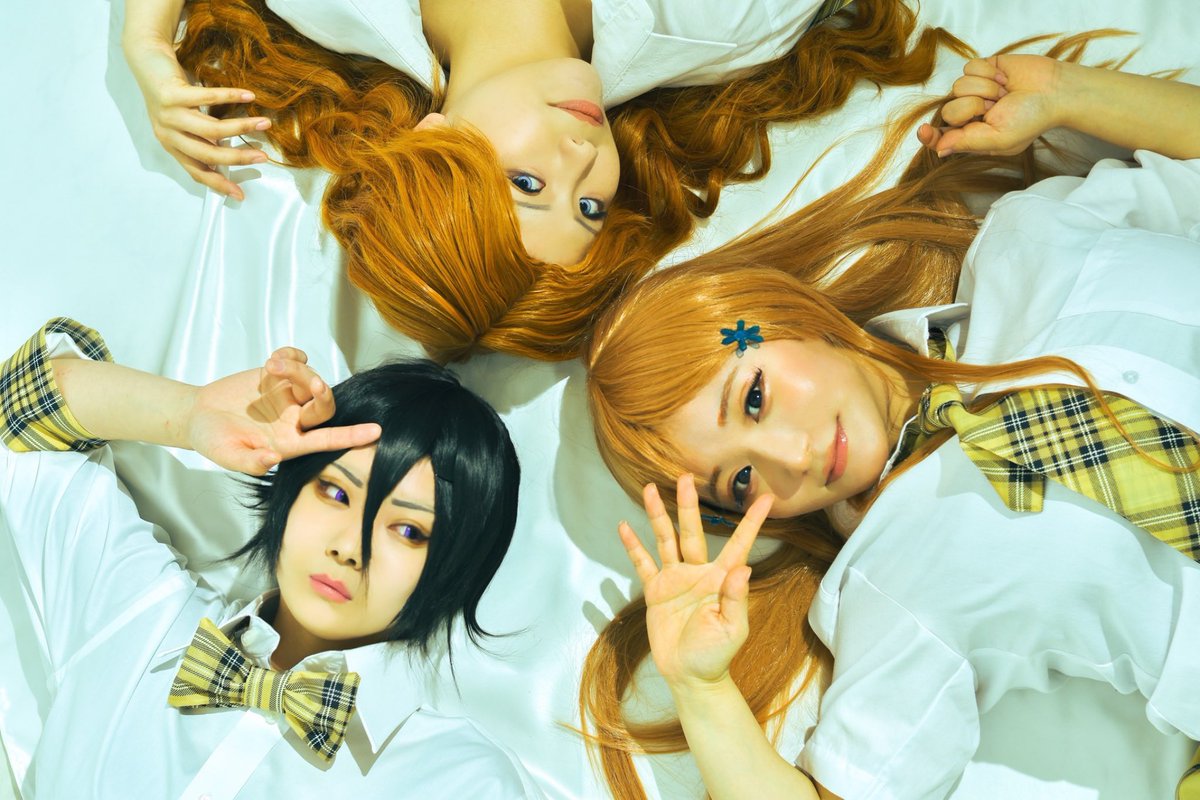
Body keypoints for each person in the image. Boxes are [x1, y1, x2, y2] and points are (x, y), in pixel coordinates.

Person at [579, 56, 1200, 799]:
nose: (791, 457)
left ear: (782, 318)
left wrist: (1069, 93)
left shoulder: (1031, 240)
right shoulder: (896, 583)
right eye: (741, 481)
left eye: (755, 398)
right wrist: (701, 690)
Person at [122, 0, 968, 360]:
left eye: (527, 184)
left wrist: (147, 44)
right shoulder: (727, 19)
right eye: (590, 206)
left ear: (432, 142)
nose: (581, 157)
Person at [0, 319, 543, 797]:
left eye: (407, 530)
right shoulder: (140, 613)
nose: (349, 548)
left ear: (456, 569)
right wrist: (188, 414)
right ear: (291, 490)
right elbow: (17, 407)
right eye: (335, 492)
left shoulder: (465, 782)